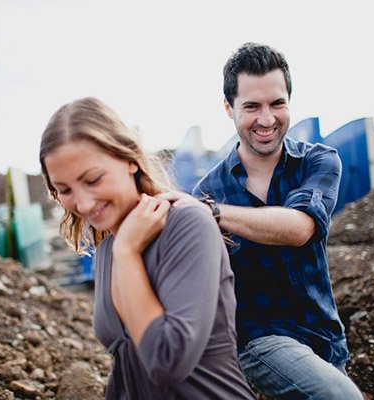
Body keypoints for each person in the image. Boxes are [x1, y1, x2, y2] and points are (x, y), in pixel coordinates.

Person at [159, 43, 364, 399]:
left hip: (325, 339)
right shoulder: (209, 189)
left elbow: (301, 229)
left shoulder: (317, 162)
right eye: (252, 106)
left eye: (277, 103)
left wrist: (215, 213)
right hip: (260, 340)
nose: (267, 119)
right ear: (229, 108)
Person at [39, 97, 256, 399]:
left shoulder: (186, 225)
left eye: (93, 179)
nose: (84, 204)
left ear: (129, 159)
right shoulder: (106, 250)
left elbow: (167, 361)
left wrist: (128, 253)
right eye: (64, 190)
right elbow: (126, 370)